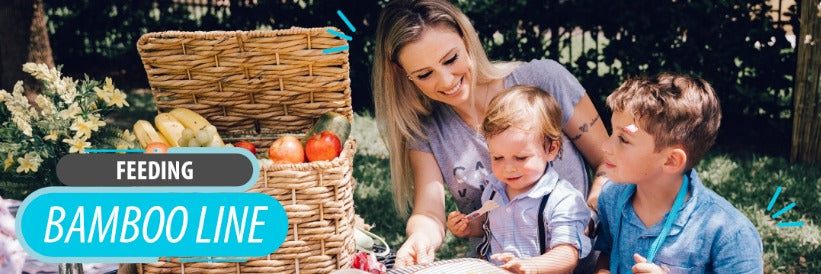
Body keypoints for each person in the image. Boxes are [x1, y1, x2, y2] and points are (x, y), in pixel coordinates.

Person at [372, 0, 610, 268]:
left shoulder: (542, 80)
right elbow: (429, 212)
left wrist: (590, 211)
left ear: (465, 38)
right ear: (402, 73)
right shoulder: (426, 129)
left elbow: (610, 161)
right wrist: (419, 237)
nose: (447, 81)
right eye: (425, 74)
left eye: (451, 59)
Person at [593, 74, 763, 273]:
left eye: (623, 139)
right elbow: (606, 252)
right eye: (612, 132)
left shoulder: (731, 234)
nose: (606, 146)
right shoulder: (611, 198)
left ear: (671, 160)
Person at [447, 85, 591, 273]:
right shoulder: (494, 189)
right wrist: (469, 227)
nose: (508, 168)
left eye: (521, 158)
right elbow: (492, 226)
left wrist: (530, 266)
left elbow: (567, 254)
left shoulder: (563, 200)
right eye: (497, 158)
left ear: (551, 149)